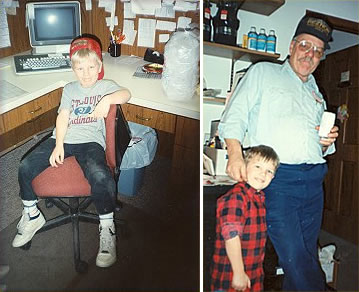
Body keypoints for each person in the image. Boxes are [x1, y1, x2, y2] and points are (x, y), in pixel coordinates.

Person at [218, 16, 339, 291]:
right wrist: (235, 154)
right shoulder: (263, 73)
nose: (310, 54)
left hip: (314, 182)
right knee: (295, 258)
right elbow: (235, 114)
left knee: (306, 254)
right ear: (292, 46)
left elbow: (317, 145)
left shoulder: (315, 92)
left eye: (317, 50)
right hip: (279, 180)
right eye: (305, 45)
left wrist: (326, 140)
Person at [12, 36, 131, 268]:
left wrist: (107, 100)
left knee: (100, 175)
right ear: (73, 68)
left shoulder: (105, 86)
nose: (86, 74)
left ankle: (107, 227)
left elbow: (126, 94)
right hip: (64, 140)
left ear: (99, 66)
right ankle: (32, 215)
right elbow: (63, 116)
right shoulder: (70, 89)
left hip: (90, 143)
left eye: (90, 67)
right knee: (25, 166)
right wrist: (58, 145)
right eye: (79, 68)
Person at [211, 145, 280, 292]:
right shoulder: (236, 198)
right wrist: (238, 272)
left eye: (269, 171)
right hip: (231, 276)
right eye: (258, 166)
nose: (263, 174)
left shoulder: (259, 198)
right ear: (244, 166)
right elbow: (231, 237)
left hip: (253, 275)